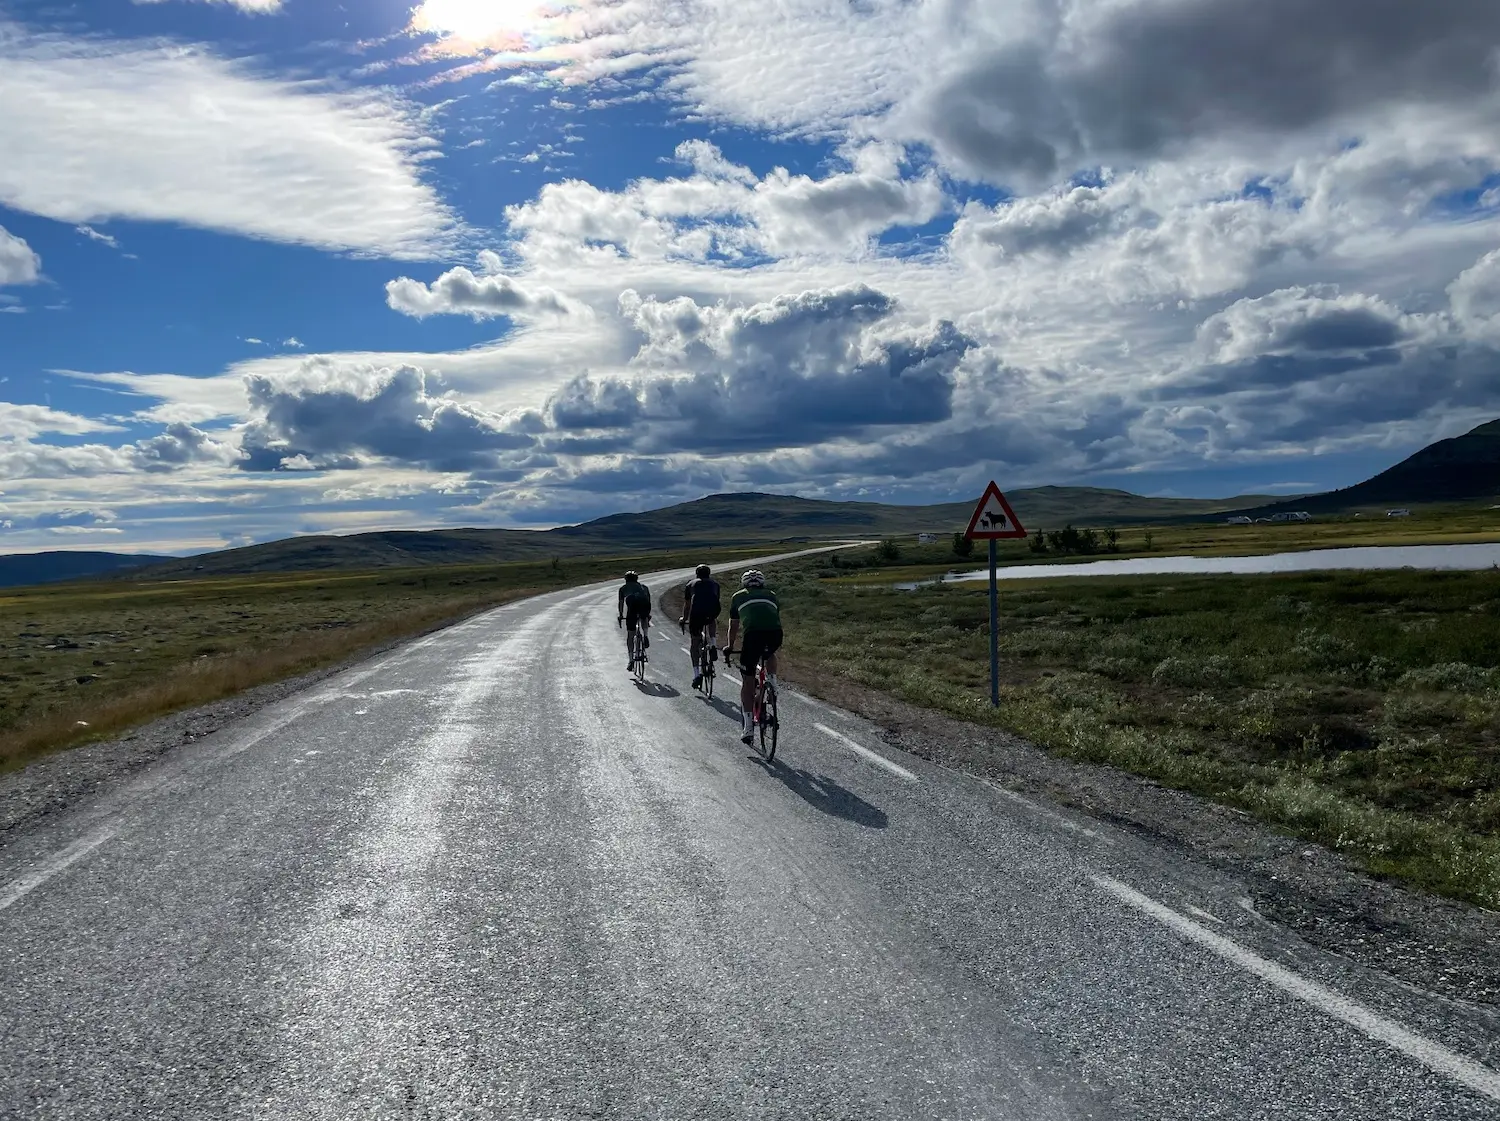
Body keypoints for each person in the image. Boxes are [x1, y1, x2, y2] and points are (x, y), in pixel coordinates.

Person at [725, 569, 781, 744]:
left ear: (744, 584)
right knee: (769, 653)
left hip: (753, 636)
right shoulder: (771, 594)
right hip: (775, 634)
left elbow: (734, 626)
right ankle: (772, 681)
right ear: (762, 583)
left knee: (748, 680)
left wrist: (730, 646)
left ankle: (748, 727)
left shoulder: (737, 596)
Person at [680, 564, 722, 692]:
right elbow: (715, 600)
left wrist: (684, 619)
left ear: (696, 573)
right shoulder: (715, 584)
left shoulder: (690, 584)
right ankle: (713, 644)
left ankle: (697, 674)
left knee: (694, 642)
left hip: (696, 613)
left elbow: (687, 605)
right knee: (712, 619)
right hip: (713, 610)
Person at [616, 571, 652, 670]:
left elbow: (621, 603)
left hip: (632, 605)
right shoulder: (644, 587)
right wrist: (648, 615)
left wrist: (620, 615)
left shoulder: (623, 588)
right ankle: (645, 635)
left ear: (626, 580)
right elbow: (648, 601)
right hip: (644, 603)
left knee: (630, 635)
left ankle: (631, 660)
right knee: (644, 617)